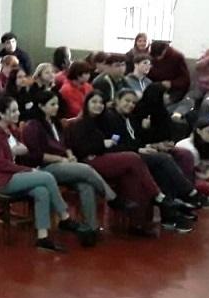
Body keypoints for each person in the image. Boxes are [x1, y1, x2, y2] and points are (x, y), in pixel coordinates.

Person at [65, 91, 185, 235]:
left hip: (104, 157)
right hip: (90, 162)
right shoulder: (80, 123)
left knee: (131, 175)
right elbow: (81, 149)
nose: (98, 105)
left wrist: (106, 144)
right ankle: (158, 195)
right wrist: (103, 144)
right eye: (94, 102)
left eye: (101, 103)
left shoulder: (102, 121)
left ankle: (137, 224)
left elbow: (116, 141)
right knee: (133, 158)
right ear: (87, 103)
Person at [21, 90, 133, 244]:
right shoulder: (33, 126)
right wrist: (61, 158)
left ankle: (90, 228)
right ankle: (112, 198)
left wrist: (69, 155)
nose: (56, 107)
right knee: (86, 169)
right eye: (52, 104)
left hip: (63, 163)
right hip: (45, 167)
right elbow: (35, 155)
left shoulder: (56, 123)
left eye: (57, 104)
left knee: (85, 184)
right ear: (41, 106)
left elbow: (66, 144)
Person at [0, 96, 86, 251]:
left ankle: (42, 237)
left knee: (41, 191)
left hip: (14, 175)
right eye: (13, 111)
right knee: (47, 177)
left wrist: (20, 150)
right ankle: (64, 217)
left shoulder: (12, 130)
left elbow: (24, 148)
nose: (17, 113)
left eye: (17, 110)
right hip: (1, 180)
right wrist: (27, 169)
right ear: (1, 114)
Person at [100, 89, 209, 214]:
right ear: (117, 100)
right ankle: (190, 193)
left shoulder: (131, 118)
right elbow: (115, 144)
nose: (130, 105)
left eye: (133, 103)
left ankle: (171, 208)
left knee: (168, 161)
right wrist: (139, 149)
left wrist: (154, 144)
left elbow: (139, 139)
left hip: (138, 151)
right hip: (124, 156)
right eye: (127, 101)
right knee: (163, 159)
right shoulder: (109, 117)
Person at [148, 40, 190, 106]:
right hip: (156, 86)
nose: (158, 58)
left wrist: (172, 84)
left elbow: (185, 80)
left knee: (164, 102)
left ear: (165, 50)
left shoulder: (177, 57)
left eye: (160, 55)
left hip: (174, 89)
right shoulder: (152, 57)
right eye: (156, 57)